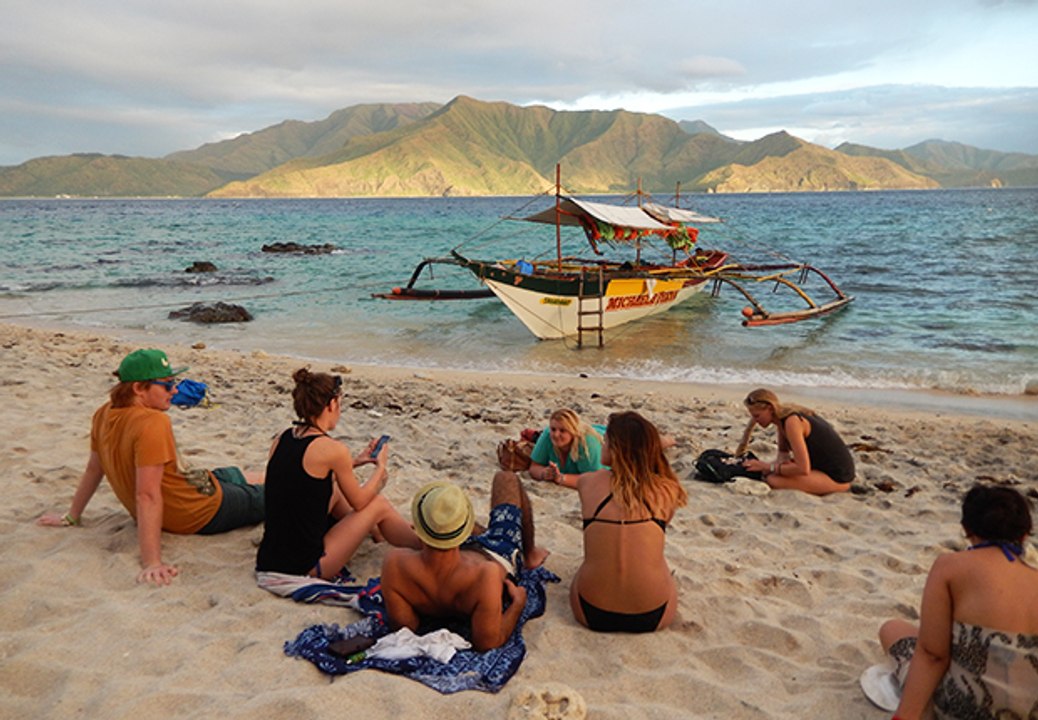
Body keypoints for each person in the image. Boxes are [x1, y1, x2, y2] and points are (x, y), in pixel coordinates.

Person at [37, 349, 265, 586]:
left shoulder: (104, 413)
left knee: (237, 475)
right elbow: (146, 495)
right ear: (138, 388)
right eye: (167, 385)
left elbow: (94, 469)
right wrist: (152, 562)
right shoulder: (153, 422)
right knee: (281, 493)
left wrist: (72, 516)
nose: (174, 391)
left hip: (190, 485)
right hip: (199, 512)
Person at [873, 485, 1038, 719]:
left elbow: (932, 655)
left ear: (967, 529)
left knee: (893, 629)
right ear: (1024, 534)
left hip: (962, 710)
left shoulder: (949, 566)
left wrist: (905, 716)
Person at [255, 368, 421, 579]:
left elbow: (303, 480)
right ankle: (424, 546)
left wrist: (357, 461)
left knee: (334, 488)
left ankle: (377, 531)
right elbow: (359, 502)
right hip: (306, 566)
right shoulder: (333, 449)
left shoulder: (282, 438)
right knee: (378, 504)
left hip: (269, 558)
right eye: (340, 404)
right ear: (332, 404)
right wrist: (380, 468)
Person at [380, 471, 548, 651]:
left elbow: (406, 627)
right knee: (506, 478)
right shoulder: (486, 574)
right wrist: (517, 605)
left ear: (419, 530)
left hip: (453, 549)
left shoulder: (395, 564)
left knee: (445, 519)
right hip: (498, 552)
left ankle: (455, 528)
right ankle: (530, 554)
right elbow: (488, 642)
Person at [570, 411, 686, 633]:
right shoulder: (667, 490)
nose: (602, 445)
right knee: (660, 564)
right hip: (653, 613)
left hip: (590, 612)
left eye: (606, 441)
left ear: (617, 449)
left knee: (585, 567)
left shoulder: (587, 483)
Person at [737, 388, 854, 495]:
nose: (755, 421)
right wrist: (768, 468)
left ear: (770, 408)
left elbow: (803, 468)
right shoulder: (781, 419)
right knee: (769, 473)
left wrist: (767, 467)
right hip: (817, 465)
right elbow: (783, 454)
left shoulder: (792, 422)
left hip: (838, 478)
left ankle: (837, 487)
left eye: (757, 416)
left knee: (773, 480)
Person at [528, 408, 605, 487]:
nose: (556, 435)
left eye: (562, 430)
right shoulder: (548, 435)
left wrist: (561, 478)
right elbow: (534, 467)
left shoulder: (587, 442)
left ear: (573, 432)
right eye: (553, 429)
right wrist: (544, 473)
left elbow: (593, 480)